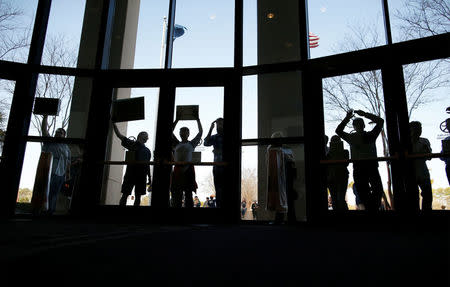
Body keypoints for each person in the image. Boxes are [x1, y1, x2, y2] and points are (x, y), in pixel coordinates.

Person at [336, 109, 384, 211]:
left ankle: (370, 209)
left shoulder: (352, 137)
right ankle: (373, 208)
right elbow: (380, 121)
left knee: (364, 191)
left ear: (354, 127)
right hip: (370, 166)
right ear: (364, 125)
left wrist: (347, 118)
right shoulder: (370, 135)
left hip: (360, 167)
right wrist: (365, 114)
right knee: (375, 190)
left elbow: (338, 131)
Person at [112, 122, 151, 206]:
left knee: (132, 196)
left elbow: (147, 165)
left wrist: (149, 177)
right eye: (145, 135)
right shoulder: (136, 145)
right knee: (130, 195)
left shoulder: (135, 146)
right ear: (140, 136)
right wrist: (114, 125)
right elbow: (119, 135)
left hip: (135, 174)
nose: (147, 136)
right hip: (136, 174)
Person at [41, 115, 71, 215]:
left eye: (61, 133)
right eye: (57, 132)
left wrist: (67, 175)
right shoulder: (50, 142)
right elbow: (44, 131)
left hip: (60, 174)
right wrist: (45, 118)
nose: (58, 133)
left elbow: (68, 161)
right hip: (48, 171)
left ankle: (50, 212)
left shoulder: (66, 147)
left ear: (64, 135)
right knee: (45, 192)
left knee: (54, 193)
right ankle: (42, 211)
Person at [171, 116, 203, 208]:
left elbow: (200, 133)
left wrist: (198, 119)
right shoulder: (176, 143)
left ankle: (189, 215)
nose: (183, 133)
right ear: (179, 133)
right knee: (177, 194)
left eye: (185, 131)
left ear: (188, 133)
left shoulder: (192, 143)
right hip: (177, 170)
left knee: (188, 194)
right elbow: (170, 131)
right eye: (181, 131)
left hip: (188, 170)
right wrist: (177, 120)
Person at [266, 131, 296, 223]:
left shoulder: (285, 149)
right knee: (278, 198)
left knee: (286, 198)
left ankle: (290, 219)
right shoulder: (271, 149)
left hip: (285, 177)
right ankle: (281, 219)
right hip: (276, 177)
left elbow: (292, 161)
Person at [410, 121, 433, 210]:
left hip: (423, 171)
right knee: (414, 196)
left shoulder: (424, 141)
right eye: (416, 129)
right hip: (414, 172)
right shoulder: (407, 143)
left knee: (427, 195)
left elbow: (429, 157)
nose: (418, 131)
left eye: (420, 129)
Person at [204, 118, 224, 207]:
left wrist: (219, 151)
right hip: (217, 166)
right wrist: (210, 129)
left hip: (225, 166)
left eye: (221, 124)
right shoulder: (215, 137)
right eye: (218, 124)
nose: (218, 126)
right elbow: (205, 142)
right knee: (218, 189)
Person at [326, 135, 350, 211]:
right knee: (338, 198)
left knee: (338, 198)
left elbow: (345, 163)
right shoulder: (344, 152)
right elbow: (345, 164)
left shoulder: (330, 154)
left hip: (334, 176)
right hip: (338, 176)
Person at [440, 118, 450, 185]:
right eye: (447, 125)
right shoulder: (446, 139)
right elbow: (442, 156)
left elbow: (442, 157)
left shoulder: (446, 139)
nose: (448, 127)